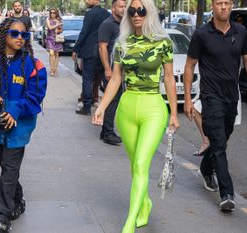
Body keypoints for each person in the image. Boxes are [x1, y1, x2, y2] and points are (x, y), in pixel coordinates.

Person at [93, 0, 179, 231]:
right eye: (131, 11)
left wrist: (174, 113)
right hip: (127, 107)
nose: (136, 15)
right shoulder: (123, 43)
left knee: (142, 163)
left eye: (141, 10)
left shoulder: (163, 44)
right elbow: (116, 79)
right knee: (135, 166)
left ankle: (129, 223)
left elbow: (169, 79)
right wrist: (101, 107)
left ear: (149, 13)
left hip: (154, 107)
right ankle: (145, 204)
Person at [183, 0, 247, 211]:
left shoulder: (240, 32)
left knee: (224, 137)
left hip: (232, 97)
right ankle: (227, 194)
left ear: (231, 5)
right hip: (210, 97)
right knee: (219, 144)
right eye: (219, 3)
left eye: (227, 3)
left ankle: (206, 167)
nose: (223, 7)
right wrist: (187, 99)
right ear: (213, 5)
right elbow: (189, 65)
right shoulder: (202, 34)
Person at [0, 18, 47, 233]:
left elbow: (35, 97)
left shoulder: (35, 66)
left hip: (20, 127)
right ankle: (18, 201)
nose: (20, 38)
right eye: (15, 33)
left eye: (25, 35)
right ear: (4, 34)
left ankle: (2, 215)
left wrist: (15, 110)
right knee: (7, 167)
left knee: (10, 167)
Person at [72, 0, 110, 116]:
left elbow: (84, 32)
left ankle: (87, 107)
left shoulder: (90, 14)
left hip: (90, 51)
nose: (86, 1)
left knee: (87, 80)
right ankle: (108, 107)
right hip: (104, 51)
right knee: (105, 79)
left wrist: (76, 49)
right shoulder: (107, 14)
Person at [97, 0, 126, 145]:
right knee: (113, 100)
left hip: (119, 69)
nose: (124, 9)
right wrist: (107, 69)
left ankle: (104, 132)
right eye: (121, 6)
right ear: (113, 8)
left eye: (125, 6)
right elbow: (102, 47)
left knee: (115, 99)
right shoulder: (107, 24)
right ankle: (108, 132)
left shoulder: (123, 24)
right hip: (111, 70)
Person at [45, 8, 63, 76]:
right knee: (51, 53)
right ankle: (52, 69)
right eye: (51, 12)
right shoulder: (48, 19)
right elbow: (50, 28)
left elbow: (61, 30)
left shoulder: (59, 20)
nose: (52, 14)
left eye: (54, 12)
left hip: (57, 39)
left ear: (56, 13)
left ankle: (55, 69)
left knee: (56, 54)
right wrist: (57, 25)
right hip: (50, 38)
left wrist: (58, 30)